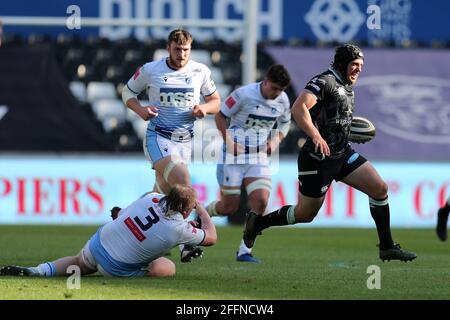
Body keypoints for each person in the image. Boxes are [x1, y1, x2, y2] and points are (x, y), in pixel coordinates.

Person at [243, 44, 417, 262]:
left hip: (342, 154)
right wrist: (316, 136)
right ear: (342, 64)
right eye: (354, 65)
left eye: (361, 65)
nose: (358, 69)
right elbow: (299, 108)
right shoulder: (324, 81)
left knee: (379, 188)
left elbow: (334, 118)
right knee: (305, 214)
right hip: (317, 158)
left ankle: (387, 247)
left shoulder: (346, 86)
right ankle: (257, 223)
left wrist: (345, 131)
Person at [121, 28, 220, 262]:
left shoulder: (200, 71)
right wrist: (141, 110)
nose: (182, 54)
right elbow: (127, 92)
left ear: (190, 49)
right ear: (168, 48)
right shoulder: (151, 70)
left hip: (184, 142)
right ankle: (186, 242)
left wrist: (204, 109)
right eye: (177, 49)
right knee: (184, 181)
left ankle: (123, 217)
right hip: (158, 137)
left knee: (161, 196)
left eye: (186, 49)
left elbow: (216, 101)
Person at [0, 185, 217, 278]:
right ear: (187, 209)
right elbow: (212, 238)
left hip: (98, 243)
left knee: (80, 262)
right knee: (167, 266)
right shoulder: (178, 228)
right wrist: (202, 211)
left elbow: (123, 214)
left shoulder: (151, 197)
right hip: (116, 268)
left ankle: (39, 271)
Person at [205, 64, 292, 263]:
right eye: (275, 88)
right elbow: (220, 116)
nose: (277, 93)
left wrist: (276, 140)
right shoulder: (244, 94)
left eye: (281, 90)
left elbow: (285, 123)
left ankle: (245, 250)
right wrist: (229, 141)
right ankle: (200, 214)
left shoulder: (283, 100)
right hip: (234, 156)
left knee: (261, 201)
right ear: (266, 81)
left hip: (258, 157)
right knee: (229, 207)